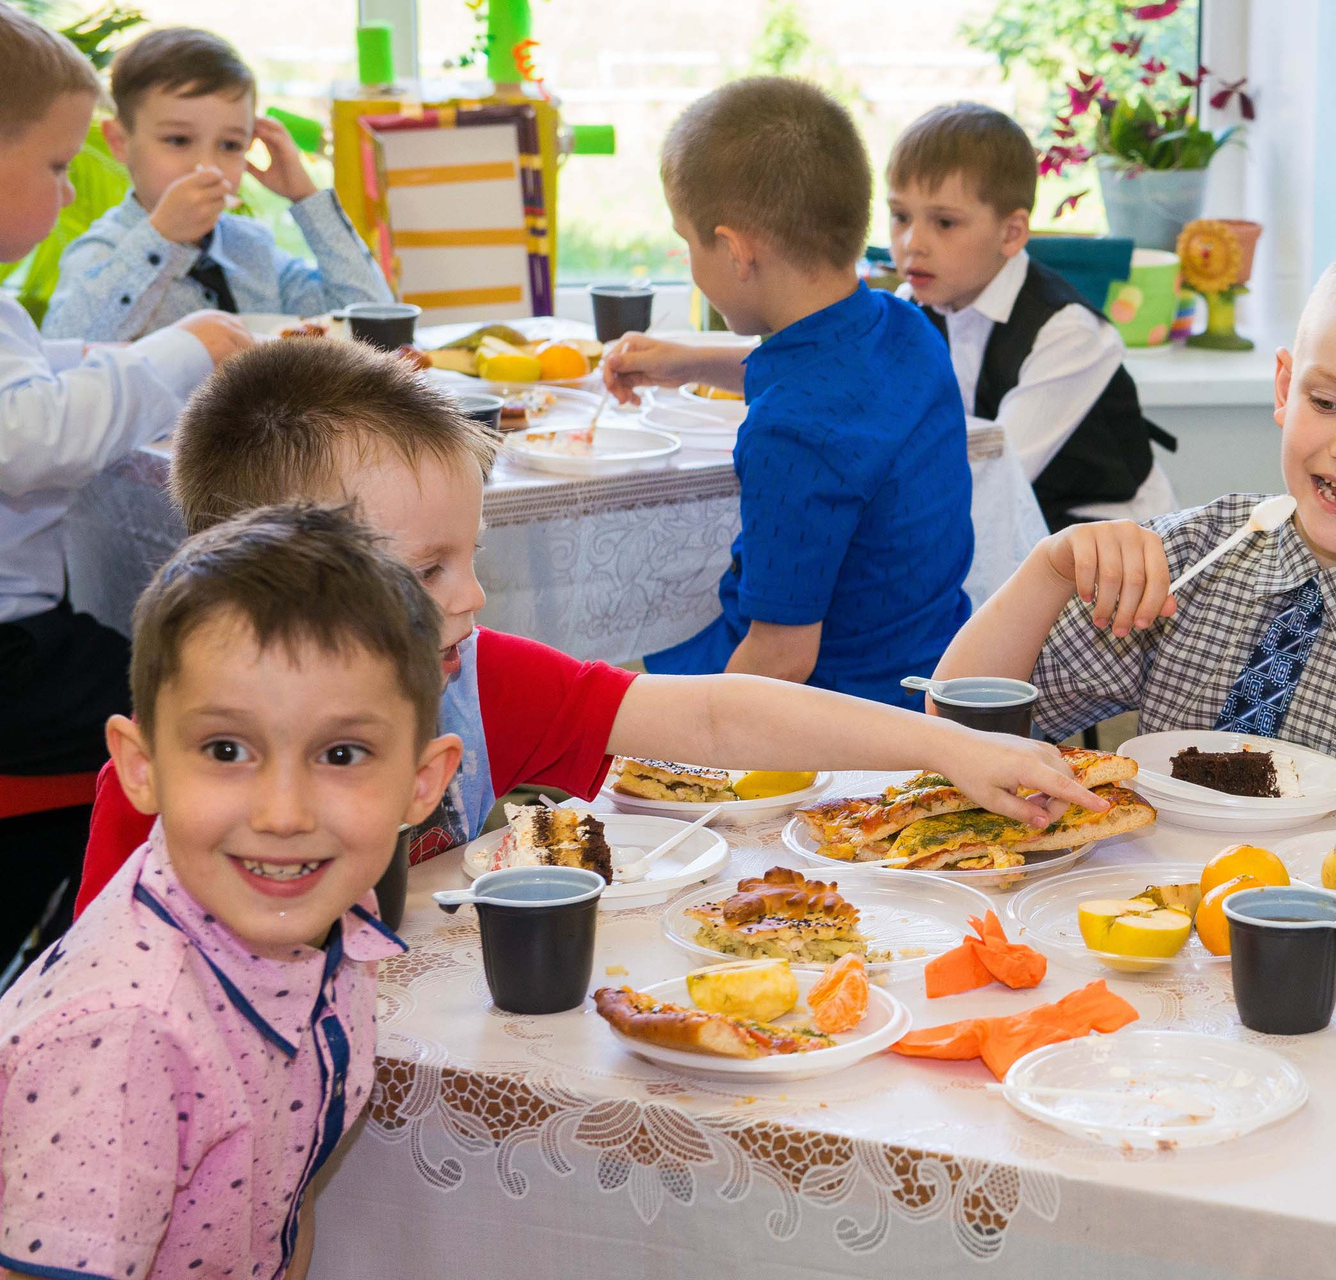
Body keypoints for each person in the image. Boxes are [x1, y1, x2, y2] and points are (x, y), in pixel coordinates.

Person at [72, 337, 1105, 913]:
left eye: (470, 557)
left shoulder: (471, 675)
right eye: (430, 568)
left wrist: (947, 749)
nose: (471, 597)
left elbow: (714, 722)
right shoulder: (181, 775)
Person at [3, 505, 465, 1280]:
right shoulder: (123, 1036)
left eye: (342, 754)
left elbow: (268, 1229)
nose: (284, 811)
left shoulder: (323, 950)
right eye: (226, 750)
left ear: (424, 781)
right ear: (139, 761)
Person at [939, 229, 1336, 811]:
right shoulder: (1187, 559)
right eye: (1326, 402)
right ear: (1284, 388)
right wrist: (1047, 571)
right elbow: (957, 735)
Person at [0, 2, 250, 954]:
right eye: (56, 165)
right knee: (197, 707)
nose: (68, 195)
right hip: (9, 661)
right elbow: (31, 434)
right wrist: (179, 352)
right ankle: (117, 943)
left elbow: (29, 373)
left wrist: (106, 356)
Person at [596, 76, 974, 703]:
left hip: (838, 709)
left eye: (688, 241)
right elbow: (828, 381)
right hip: (926, 666)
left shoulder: (791, 435)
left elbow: (779, 660)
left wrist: (672, 746)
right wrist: (689, 363)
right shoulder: (901, 323)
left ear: (733, 251)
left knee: (595, 686)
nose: (690, 258)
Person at [885, 101, 1176, 530]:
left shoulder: (1068, 332)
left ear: (1012, 233)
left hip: (1111, 540)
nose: (912, 243)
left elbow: (994, 475)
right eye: (900, 216)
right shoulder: (911, 307)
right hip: (1000, 525)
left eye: (944, 223)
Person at [43, 26, 391, 343]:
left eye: (230, 145)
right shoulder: (101, 254)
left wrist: (307, 198)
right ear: (120, 142)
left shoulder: (252, 249)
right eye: (178, 140)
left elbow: (372, 323)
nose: (206, 167)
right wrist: (161, 238)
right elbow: (64, 355)